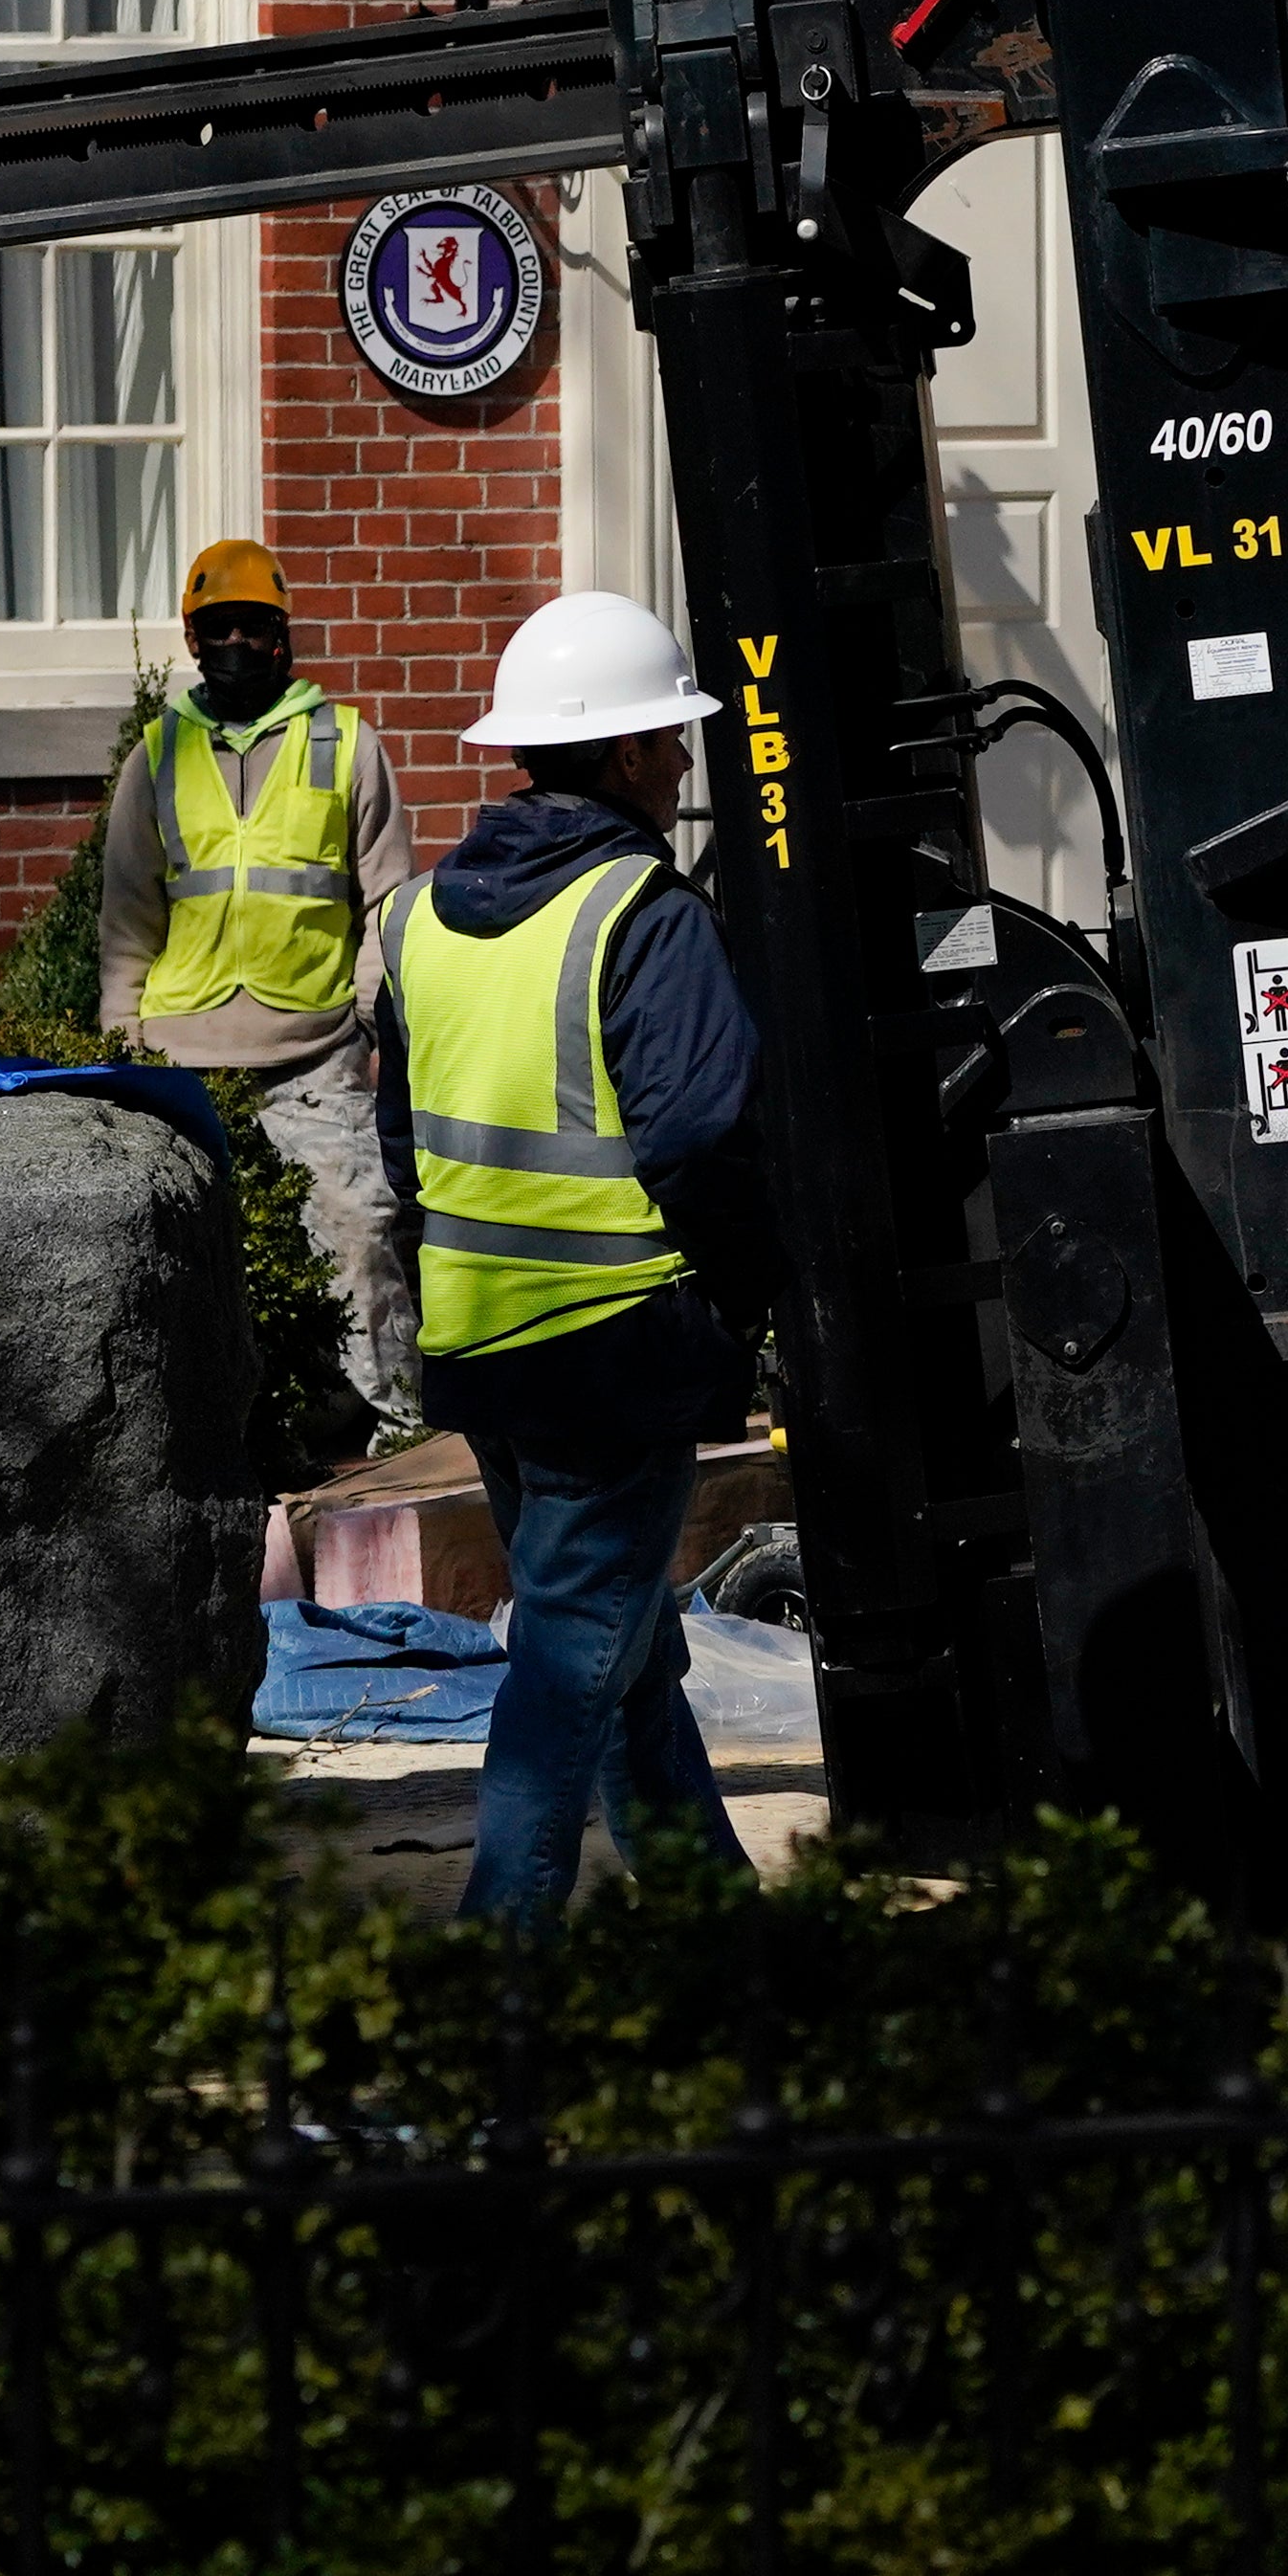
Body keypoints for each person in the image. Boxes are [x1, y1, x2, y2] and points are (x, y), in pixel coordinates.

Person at [374, 591, 773, 1925]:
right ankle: (498, 1966)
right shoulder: (641, 914)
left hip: (480, 1349)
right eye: (670, 736)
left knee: (620, 1651)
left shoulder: (418, 918)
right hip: (614, 1353)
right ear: (623, 753)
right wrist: (751, 1302)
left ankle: (719, 1933)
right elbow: (702, 1135)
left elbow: (401, 1145)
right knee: (568, 1666)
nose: (683, 759)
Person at [96, 540, 419, 1428]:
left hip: (315, 1061)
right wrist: (124, 1044)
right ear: (192, 641)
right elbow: (127, 919)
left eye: (252, 625)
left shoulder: (346, 744)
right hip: (180, 1066)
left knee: (359, 1237)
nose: (235, 642)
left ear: (282, 634)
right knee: (190, 1270)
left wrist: (368, 1023)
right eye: (218, 628)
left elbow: (387, 903)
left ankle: (396, 1429)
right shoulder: (157, 757)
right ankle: (223, 1439)